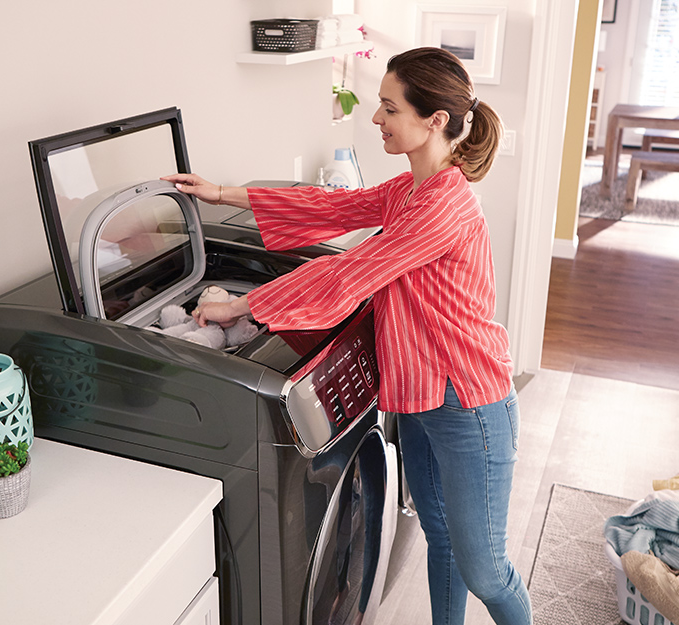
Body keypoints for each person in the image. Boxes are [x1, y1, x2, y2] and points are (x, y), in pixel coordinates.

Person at [163, 46, 532, 625]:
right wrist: (223, 193)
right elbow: (333, 206)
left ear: (433, 120)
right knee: (440, 538)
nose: (377, 118)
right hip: (421, 397)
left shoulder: (444, 206)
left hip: (470, 405)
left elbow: (350, 271)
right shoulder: (411, 189)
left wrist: (244, 305)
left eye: (389, 107)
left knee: (485, 568)